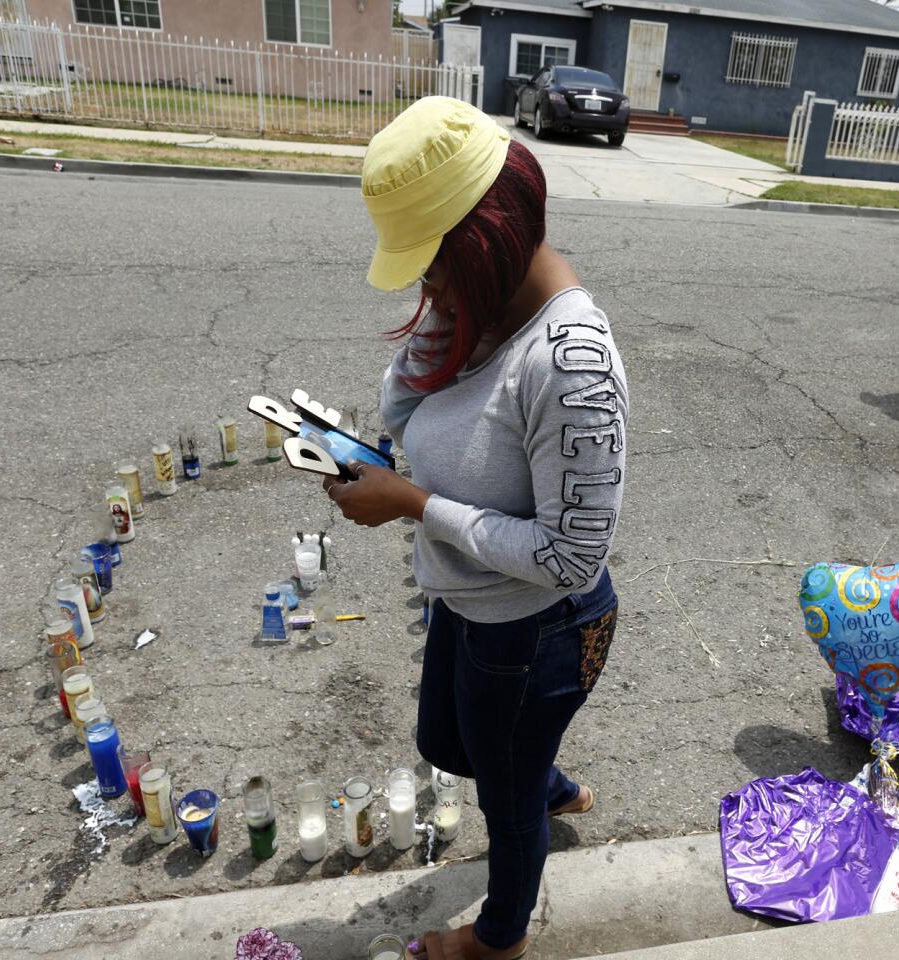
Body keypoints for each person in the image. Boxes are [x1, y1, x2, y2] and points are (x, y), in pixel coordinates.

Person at [323, 97, 628, 960]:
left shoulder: (570, 366)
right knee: (444, 741)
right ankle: (549, 780)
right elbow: (401, 409)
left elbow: (571, 558)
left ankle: (498, 941)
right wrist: (444, 323)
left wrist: (412, 504)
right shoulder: (484, 311)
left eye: (432, 269)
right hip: (471, 599)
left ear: (482, 244)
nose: (426, 290)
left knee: (504, 799)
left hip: (539, 629)